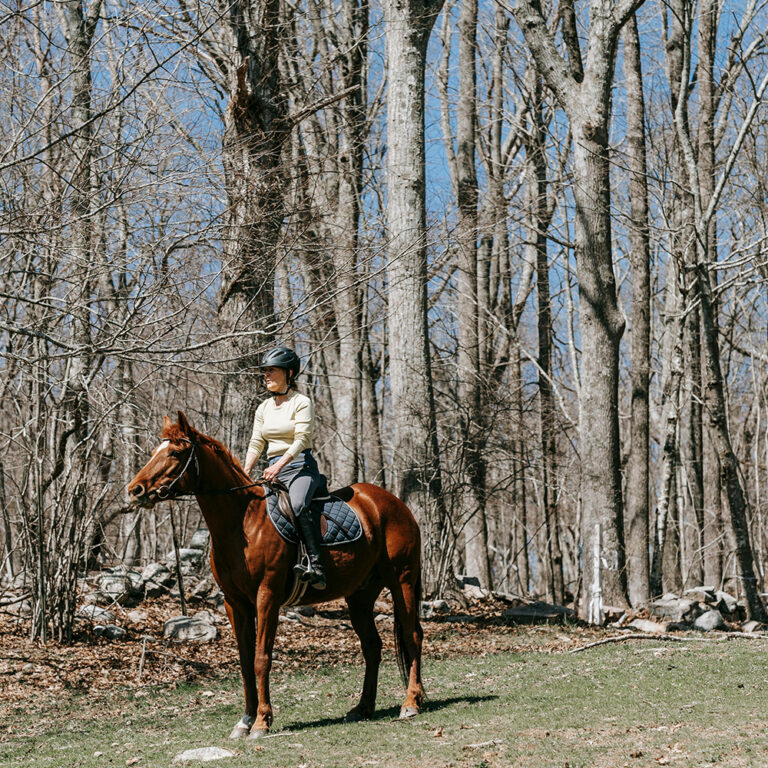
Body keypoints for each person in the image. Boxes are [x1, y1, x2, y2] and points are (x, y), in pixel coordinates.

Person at [243, 346, 327, 590]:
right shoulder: (264, 408)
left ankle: (317, 566)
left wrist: (279, 465)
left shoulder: (301, 402)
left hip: (300, 466)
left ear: (289, 373)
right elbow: (256, 442)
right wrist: (245, 471)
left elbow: (301, 439)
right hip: (272, 470)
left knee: (298, 504)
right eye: (264, 371)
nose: (266, 375)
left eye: (272, 370)